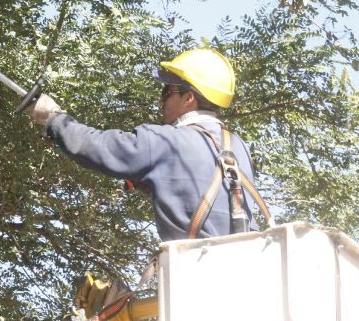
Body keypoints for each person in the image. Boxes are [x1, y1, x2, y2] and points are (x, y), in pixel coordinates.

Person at [29, 48, 261, 241]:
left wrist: (54, 118)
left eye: (167, 92)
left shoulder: (165, 141)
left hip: (192, 274)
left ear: (188, 98)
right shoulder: (238, 147)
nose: (161, 101)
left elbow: (96, 146)